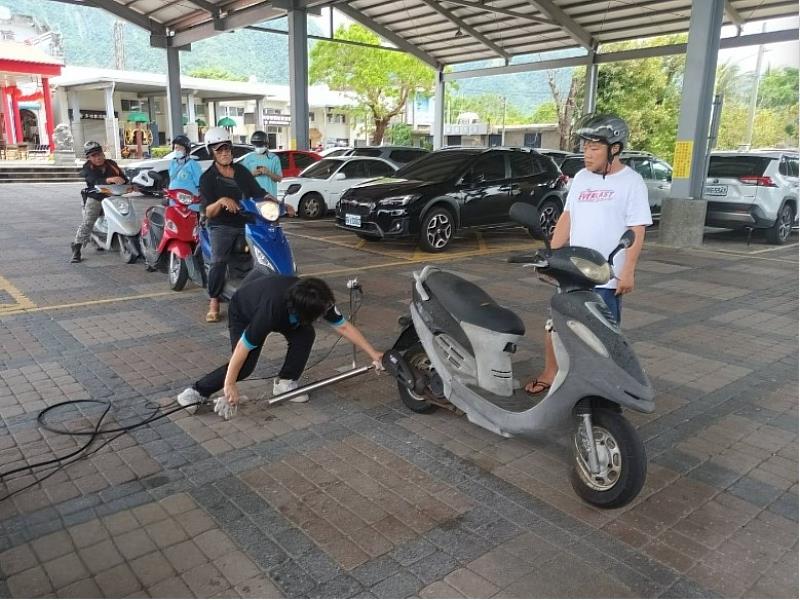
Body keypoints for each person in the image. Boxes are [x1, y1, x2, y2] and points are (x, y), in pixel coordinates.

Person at [525, 114, 652, 395]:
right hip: (573, 272)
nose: (587, 154)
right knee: (555, 325)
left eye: (594, 148)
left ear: (615, 149)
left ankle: (603, 385)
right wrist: (550, 257)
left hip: (606, 275)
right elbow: (568, 217)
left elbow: (637, 229)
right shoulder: (581, 178)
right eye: (585, 147)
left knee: (603, 335)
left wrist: (628, 270)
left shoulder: (632, 182)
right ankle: (550, 373)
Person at [177, 273, 384, 409]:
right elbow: (242, 347)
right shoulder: (271, 311)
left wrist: (373, 353)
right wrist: (229, 383)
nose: (324, 316)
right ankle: (195, 391)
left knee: (305, 334)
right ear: (303, 312)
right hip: (245, 310)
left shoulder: (318, 299)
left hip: (284, 308)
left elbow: (344, 326)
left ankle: (285, 383)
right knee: (246, 366)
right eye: (319, 315)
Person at [199, 127, 294, 323]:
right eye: (219, 150)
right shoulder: (207, 177)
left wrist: (281, 204)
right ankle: (214, 300)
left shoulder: (241, 171)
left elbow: (259, 193)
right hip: (221, 226)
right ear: (212, 152)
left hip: (248, 221)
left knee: (269, 249)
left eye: (227, 148)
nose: (224, 153)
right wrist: (221, 201)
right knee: (218, 260)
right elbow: (207, 211)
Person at [70, 141, 128, 263]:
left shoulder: (111, 164)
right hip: (95, 197)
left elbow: (124, 178)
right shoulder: (87, 167)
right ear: (89, 157)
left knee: (125, 216)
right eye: (94, 156)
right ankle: (77, 248)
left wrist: (128, 184)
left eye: (99, 154)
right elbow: (93, 181)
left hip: (114, 196)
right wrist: (109, 179)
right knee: (88, 222)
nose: (98, 158)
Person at [238, 131, 282, 198]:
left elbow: (279, 178)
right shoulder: (248, 158)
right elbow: (241, 178)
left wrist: (268, 173)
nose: (258, 147)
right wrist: (252, 174)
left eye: (260, 145)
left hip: (270, 197)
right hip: (253, 198)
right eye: (256, 145)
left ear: (266, 144)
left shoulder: (274, 158)